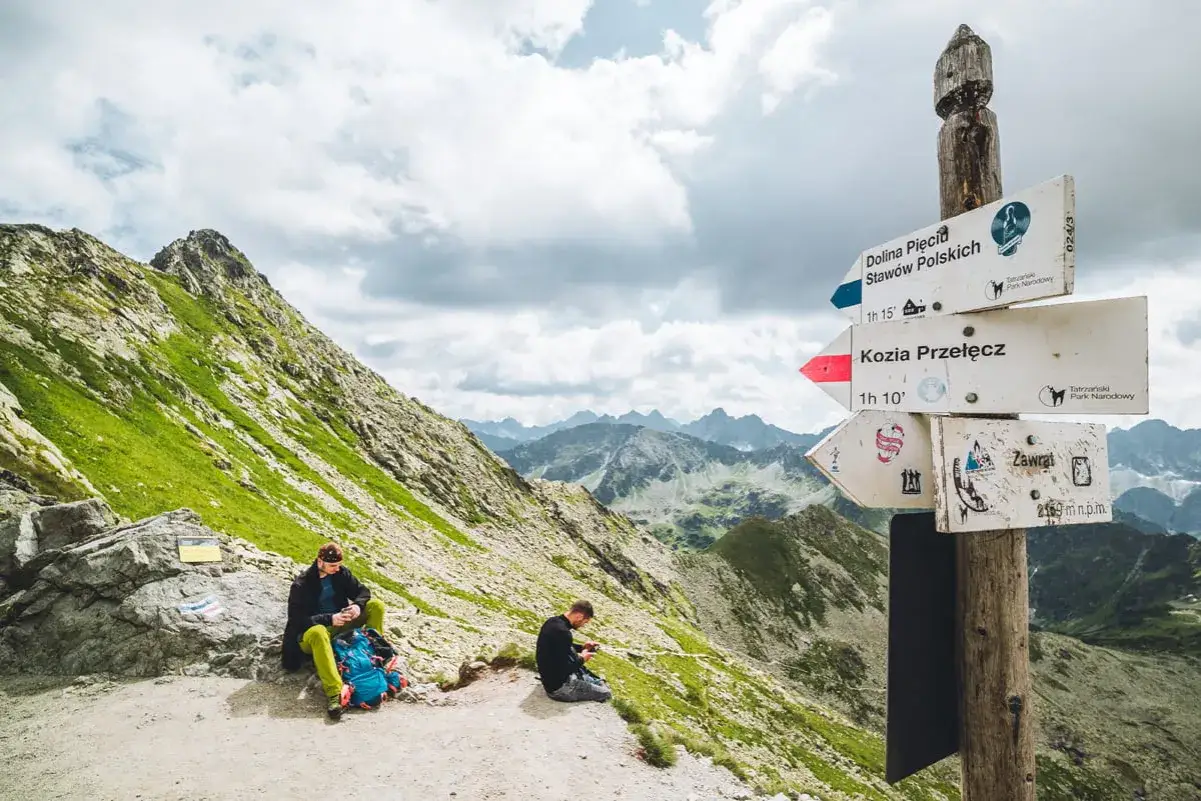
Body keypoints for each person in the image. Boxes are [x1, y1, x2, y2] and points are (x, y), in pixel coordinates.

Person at [280, 542, 387, 719]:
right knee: (319, 631)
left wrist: (358, 607)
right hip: (310, 634)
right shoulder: (301, 584)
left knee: (376, 606)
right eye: (332, 566)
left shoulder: (341, 573)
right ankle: (334, 694)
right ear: (319, 561)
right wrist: (330, 618)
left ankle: (373, 661)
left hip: (339, 624)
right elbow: (297, 620)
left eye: (338, 565)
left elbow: (362, 591)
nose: (337, 569)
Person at [535, 599, 612, 703]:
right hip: (559, 688)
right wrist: (582, 659)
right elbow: (564, 669)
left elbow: (562, 646)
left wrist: (582, 647)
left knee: (597, 683)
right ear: (579, 616)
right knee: (606, 693)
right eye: (584, 622)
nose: (582, 626)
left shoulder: (552, 622)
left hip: (548, 679)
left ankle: (586, 680)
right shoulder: (564, 633)